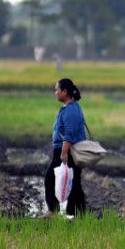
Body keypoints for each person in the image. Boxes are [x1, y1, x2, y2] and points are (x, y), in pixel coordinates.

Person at [42, 78, 87, 218]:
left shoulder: (71, 110)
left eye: (57, 90)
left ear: (65, 92)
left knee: (49, 179)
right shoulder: (70, 108)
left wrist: (64, 152)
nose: (55, 92)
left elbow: (69, 134)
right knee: (75, 182)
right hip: (66, 150)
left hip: (67, 151)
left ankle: (53, 211)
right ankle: (78, 213)